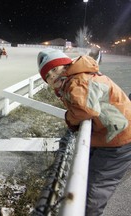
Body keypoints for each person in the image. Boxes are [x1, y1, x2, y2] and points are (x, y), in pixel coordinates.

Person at [37, 48, 131, 216]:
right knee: (88, 177)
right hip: (112, 134)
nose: (53, 76)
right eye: (48, 76)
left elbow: (85, 111)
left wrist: (69, 119)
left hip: (120, 139)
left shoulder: (77, 81)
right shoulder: (77, 77)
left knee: (94, 189)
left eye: (55, 69)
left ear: (65, 66)